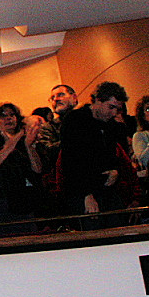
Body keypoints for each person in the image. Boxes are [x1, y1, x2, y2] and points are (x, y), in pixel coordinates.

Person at [58, 81, 134, 222]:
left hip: (107, 189)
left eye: (117, 109)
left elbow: (115, 157)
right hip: (81, 189)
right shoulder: (74, 120)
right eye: (111, 107)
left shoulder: (112, 125)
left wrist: (115, 171)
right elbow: (70, 162)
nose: (114, 113)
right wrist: (86, 195)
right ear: (98, 100)